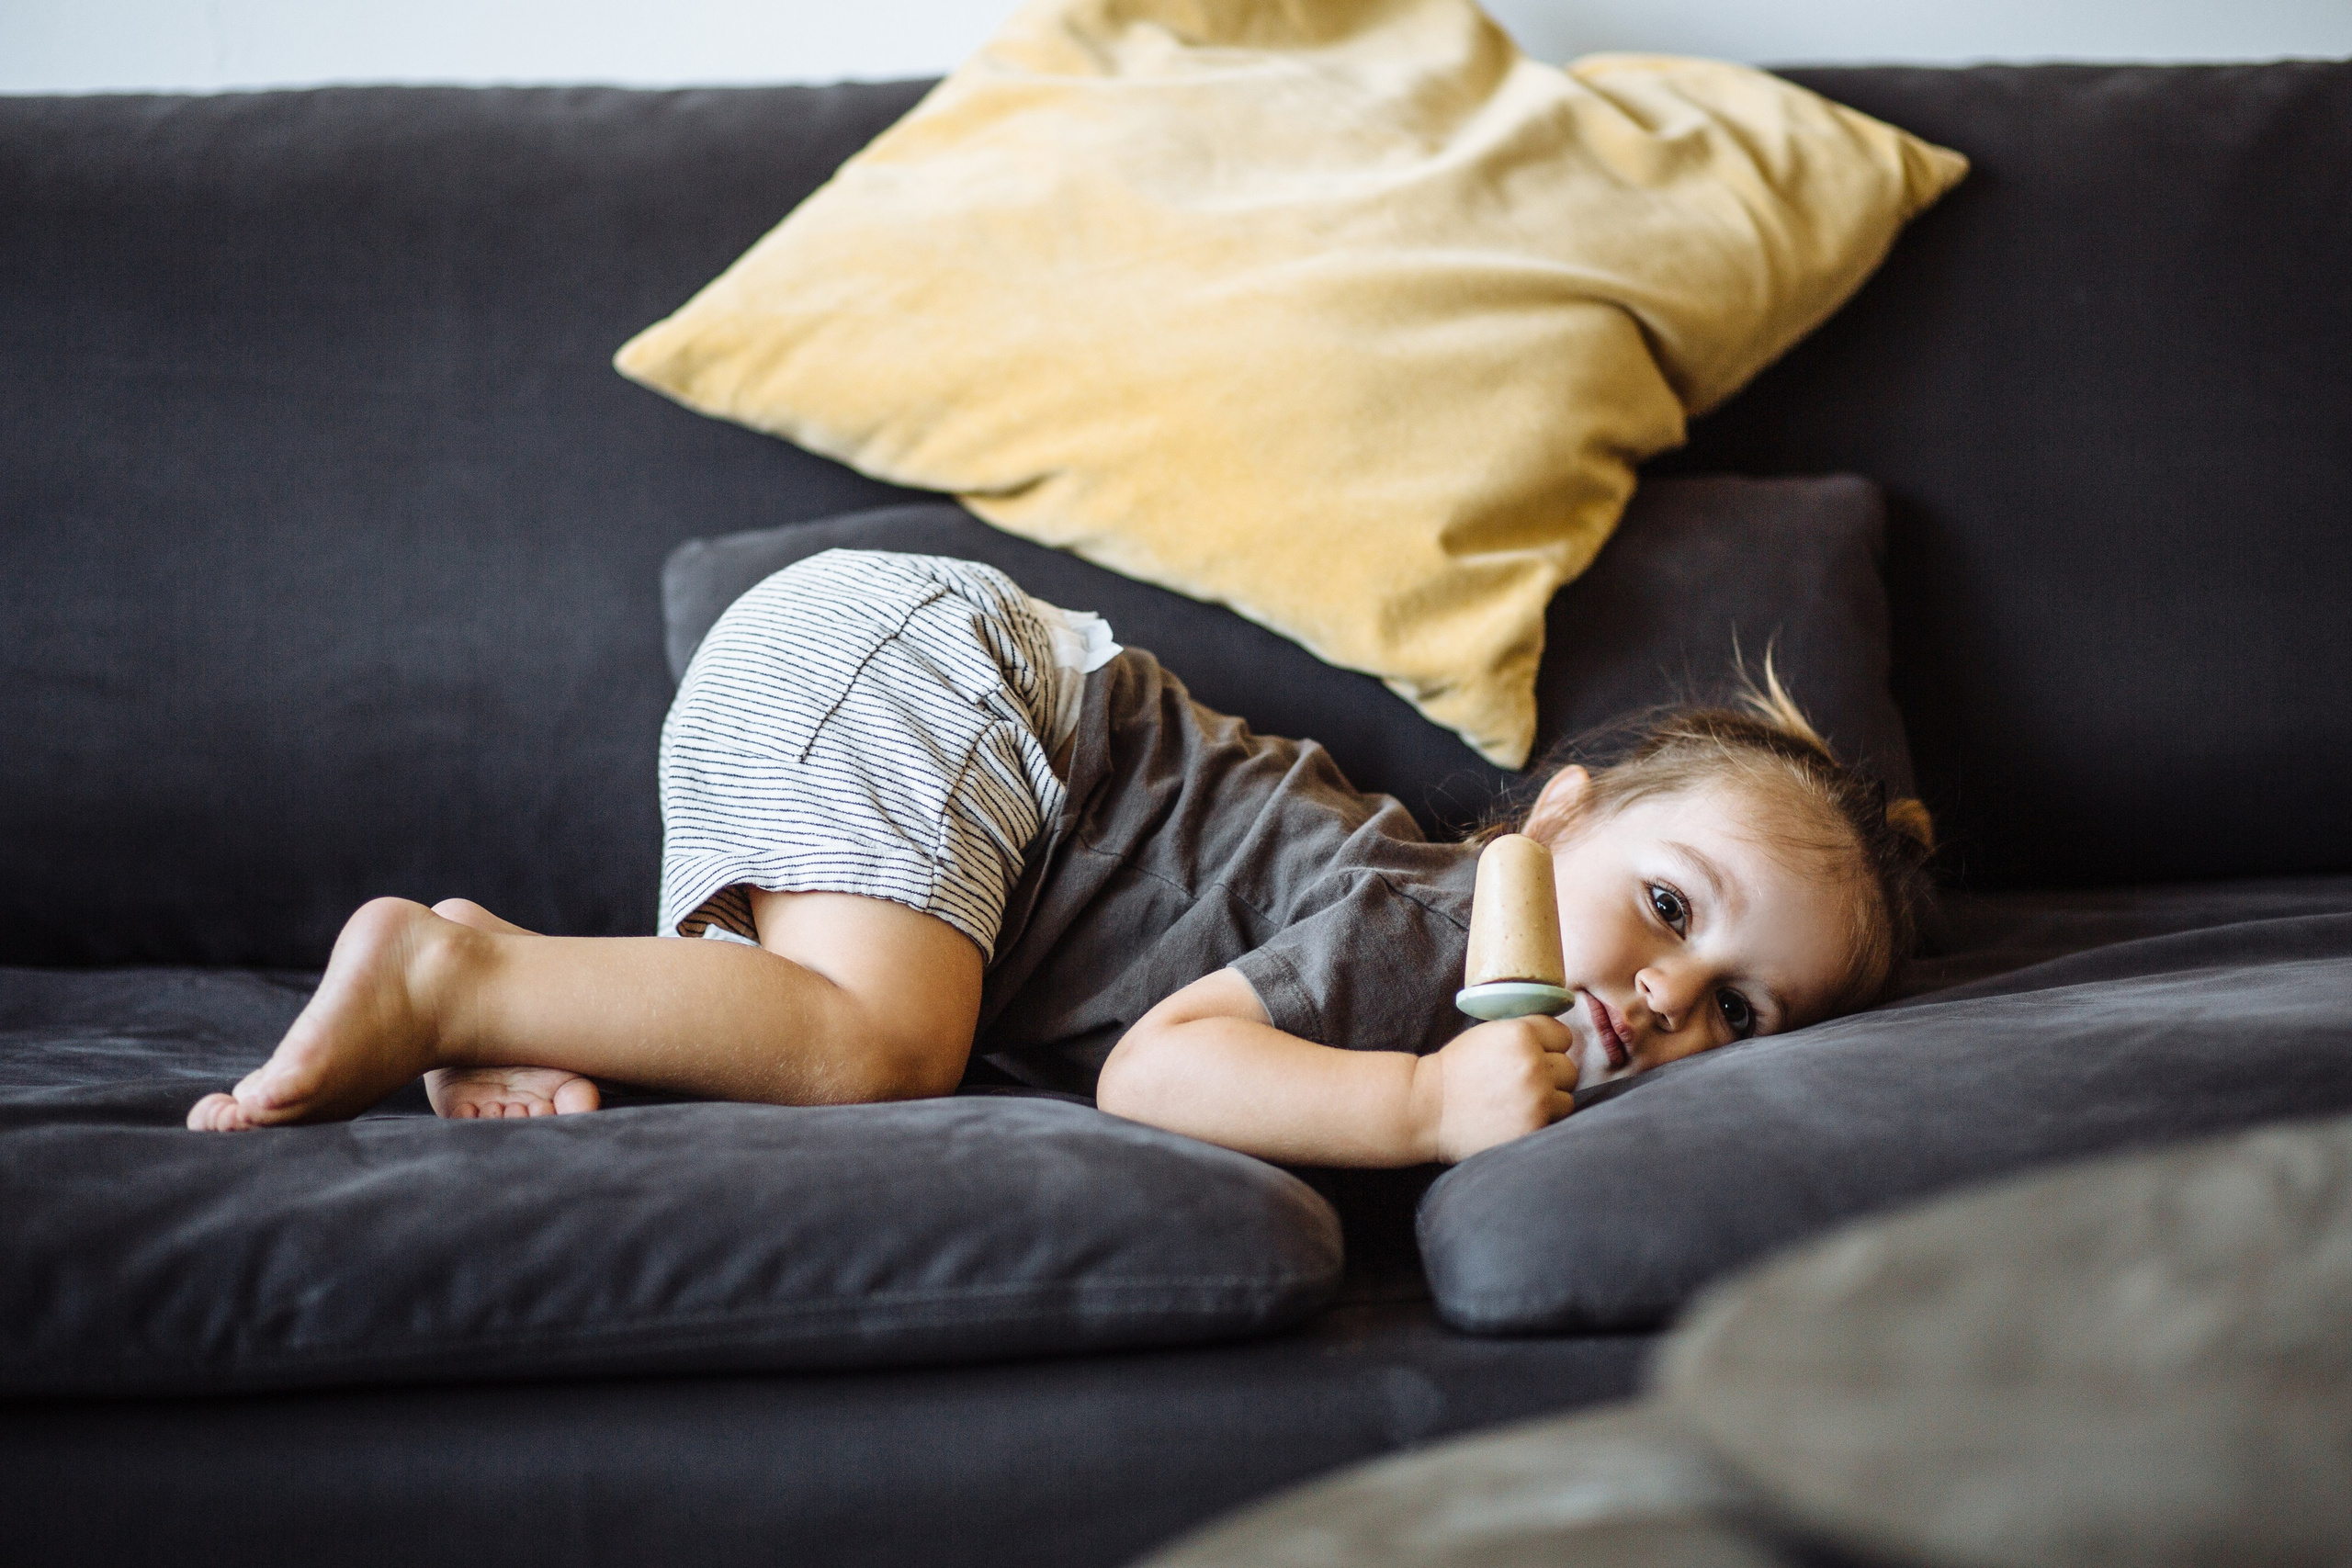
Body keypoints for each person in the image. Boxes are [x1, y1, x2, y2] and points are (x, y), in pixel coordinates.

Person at [187, 550, 1935, 1165]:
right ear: (1552, 821)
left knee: (810, 1035)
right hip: (956, 681)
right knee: (878, 1048)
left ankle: (523, 993)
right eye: (1671, 907)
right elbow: (1168, 1071)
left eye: (1741, 1011)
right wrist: (1419, 1112)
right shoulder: (1430, 925)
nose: (1664, 994)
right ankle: (440, 971)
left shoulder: (1487, 951)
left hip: (901, 700)